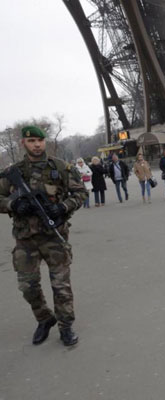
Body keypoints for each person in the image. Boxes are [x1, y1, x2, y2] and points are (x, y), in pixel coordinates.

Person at [0, 125, 87, 346]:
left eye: (40, 140)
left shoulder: (60, 167)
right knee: (27, 286)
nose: (37, 145)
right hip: (25, 239)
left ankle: (65, 326)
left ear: (44, 142)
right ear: (23, 144)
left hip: (54, 236)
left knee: (61, 286)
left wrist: (63, 207)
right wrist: (13, 204)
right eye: (31, 141)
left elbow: (80, 193)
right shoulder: (14, 172)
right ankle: (44, 318)